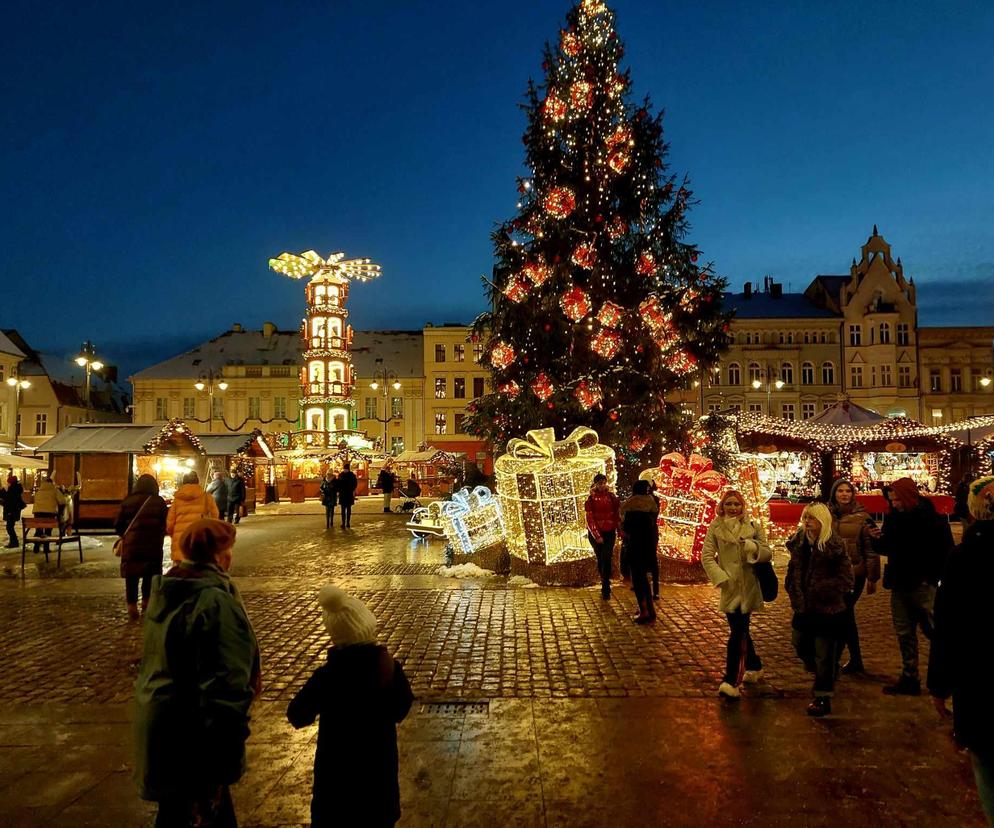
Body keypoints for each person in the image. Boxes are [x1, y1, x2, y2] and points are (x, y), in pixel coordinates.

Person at [134, 518, 261, 828]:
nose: (231, 556)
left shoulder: (169, 592)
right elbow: (227, 682)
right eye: (228, 549)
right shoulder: (213, 601)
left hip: (165, 730)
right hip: (197, 738)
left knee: (175, 814)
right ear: (218, 554)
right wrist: (227, 755)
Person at [287, 585, 414, 827]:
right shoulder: (388, 668)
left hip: (336, 788)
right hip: (378, 785)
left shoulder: (328, 675)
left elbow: (297, 714)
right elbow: (401, 708)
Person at [928, 475, 994, 824]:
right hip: (977, 676)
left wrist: (940, 684)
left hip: (978, 680)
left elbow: (947, 625)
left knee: (986, 762)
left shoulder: (963, 557)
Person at [869, 476, 954, 696]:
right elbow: (888, 547)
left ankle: (948, 677)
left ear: (908, 497)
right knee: (904, 632)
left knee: (936, 631)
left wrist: (933, 579)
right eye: (891, 500)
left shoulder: (933, 520)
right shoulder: (894, 519)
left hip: (923, 585)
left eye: (897, 499)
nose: (894, 504)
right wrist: (876, 539)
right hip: (899, 583)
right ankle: (910, 677)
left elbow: (946, 553)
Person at [701, 489, 773, 700]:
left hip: (748, 586)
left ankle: (732, 679)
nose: (733, 508)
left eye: (737, 504)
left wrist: (752, 546)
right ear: (722, 506)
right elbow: (707, 556)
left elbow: (768, 552)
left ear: (743, 506)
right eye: (729, 504)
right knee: (739, 629)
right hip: (729, 586)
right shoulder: (716, 527)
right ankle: (754, 664)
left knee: (738, 632)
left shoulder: (753, 526)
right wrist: (720, 577)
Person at [785, 502, 854, 717]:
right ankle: (826, 672)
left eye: (812, 519)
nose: (807, 523)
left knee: (824, 653)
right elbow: (793, 570)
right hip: (804, 607)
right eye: (805, 518)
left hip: (827, 608)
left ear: (822, 521)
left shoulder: (834, 546)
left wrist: (824, 590)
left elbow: (845, 578)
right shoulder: (798, 543)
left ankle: (823, 696)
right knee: (800, 643)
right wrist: (792, 587)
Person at [827, 479, 880, 675]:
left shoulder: (863, 518)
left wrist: (872, 578)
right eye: (840, 491)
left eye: (847, 491)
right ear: (834, 494)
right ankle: (852, 659)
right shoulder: (826, 515)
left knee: (844, 613)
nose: (844, 494)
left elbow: (871, 550)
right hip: (832, 573)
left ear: (853, 494)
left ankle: (841, 659)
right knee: (843, 615)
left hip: (854, 573)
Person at [114, 474, 168, 621]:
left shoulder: (127, 501)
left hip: (132, 545)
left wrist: (125, 535)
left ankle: (131, 605)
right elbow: (165, 522)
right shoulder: (159, 501)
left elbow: (118, 524)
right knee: (150, 574)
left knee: (131, 575)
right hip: (153, 544)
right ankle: (146, 601)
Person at [620, 479, 659, 624]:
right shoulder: (652, 504)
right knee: (645, 580)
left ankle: (644, 611)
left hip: (635, 547)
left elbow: (627, 528)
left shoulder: (631, 508)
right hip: (648, 547)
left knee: (638, 580)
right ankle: (650, 609)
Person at [166, 471, 219, 561]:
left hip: (181, 540)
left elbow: (170, 524)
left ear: (183, 482)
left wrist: (174, 535)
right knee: (199, 568)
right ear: (197, 481)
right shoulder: (207, 497)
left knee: (180, 570)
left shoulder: (177, 500)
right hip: (200, 539)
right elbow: (215, 516)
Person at [585, 473, 620, 600]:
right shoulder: (591, 499)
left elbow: (616, 514)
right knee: (600, 558)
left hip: (609, 531)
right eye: (600, 483)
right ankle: (604, 579)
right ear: (596, 484)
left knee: (606, 557)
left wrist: (619, 529)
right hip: (597, 533)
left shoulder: (611, 497)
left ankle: (606, 585)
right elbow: (590, 518)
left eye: (604, 482)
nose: (603, 485)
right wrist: (596, 535)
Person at [31, 477, 67, 555]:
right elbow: (63, 501)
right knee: (48, 531)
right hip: (50, 513)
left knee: (38, 530)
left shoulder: (39, 491)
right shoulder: (55, 490)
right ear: (51, 483)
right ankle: (46, 548)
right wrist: (60, 512)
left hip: (37, 513)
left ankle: (36, 547)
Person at [3, 474, 25, 548]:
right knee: (10, 527)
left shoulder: (13, 489)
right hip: (13, 511)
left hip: (11, 511)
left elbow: (9, 500)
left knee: (9, 527)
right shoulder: (15, 489)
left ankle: (14, 542)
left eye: (8, 482)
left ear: (11, 483)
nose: (7, 484)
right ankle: (14, 542)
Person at [337, 462, 358, 529]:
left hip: (345, 494)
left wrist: (340, 490)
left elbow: (339, 484)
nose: (345, 470)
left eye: (345, 469)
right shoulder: (351, 475)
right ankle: (345, 523)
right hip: (347, 494)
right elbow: (355, 484)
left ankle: (346, 523)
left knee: (346, 509)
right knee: (346, 509)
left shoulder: (342, 475)